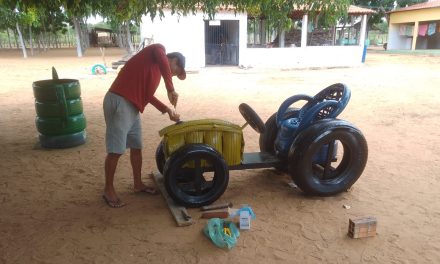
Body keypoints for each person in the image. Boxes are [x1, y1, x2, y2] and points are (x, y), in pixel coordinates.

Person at [102, 43, 185, 208]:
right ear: (174, 60)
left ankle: (138, 183)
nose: (173, 75)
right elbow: (161, 58)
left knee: (136, 146)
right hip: (120, 100)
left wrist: (167, 109)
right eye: (176, 70)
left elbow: (148, 96)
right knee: (116, 150)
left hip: (133, 106)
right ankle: (108, 189)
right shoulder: (159, 50)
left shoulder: (155, 74)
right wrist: (170, 88)